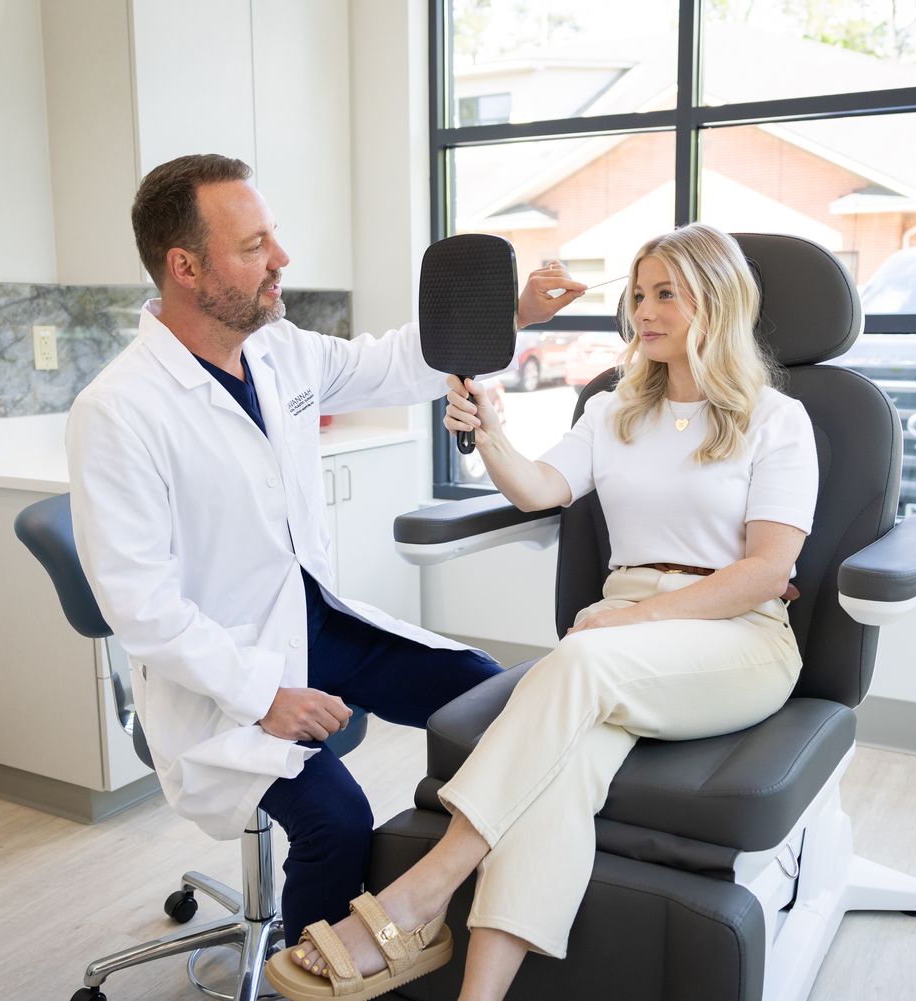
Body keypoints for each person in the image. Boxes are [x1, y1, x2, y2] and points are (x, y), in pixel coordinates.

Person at [264, 222, 818, 1001]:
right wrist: (490, 434)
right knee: (553, 778)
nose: (643, 308)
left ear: (718, 303)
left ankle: (423, 892)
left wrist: (633, 621)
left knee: (577, 658)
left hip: (738, 638)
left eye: (667, 293)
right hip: (622, 642)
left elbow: (766, 570)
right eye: (637, 292)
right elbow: (538, 488)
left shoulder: (776, 420)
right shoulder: (616, 410)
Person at [66, 153, 585, 942]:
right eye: (255, 245)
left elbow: (390, 364)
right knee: (338, 823)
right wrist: (264, 695)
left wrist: (510, 310)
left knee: (490, 698)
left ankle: (468, 908)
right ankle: (308, 978)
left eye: (274, 235)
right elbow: (144, 609)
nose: (281, 258)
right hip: (226, 673)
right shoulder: (117, 411)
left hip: (313, 624)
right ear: (185, 266)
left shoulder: (279, 352)